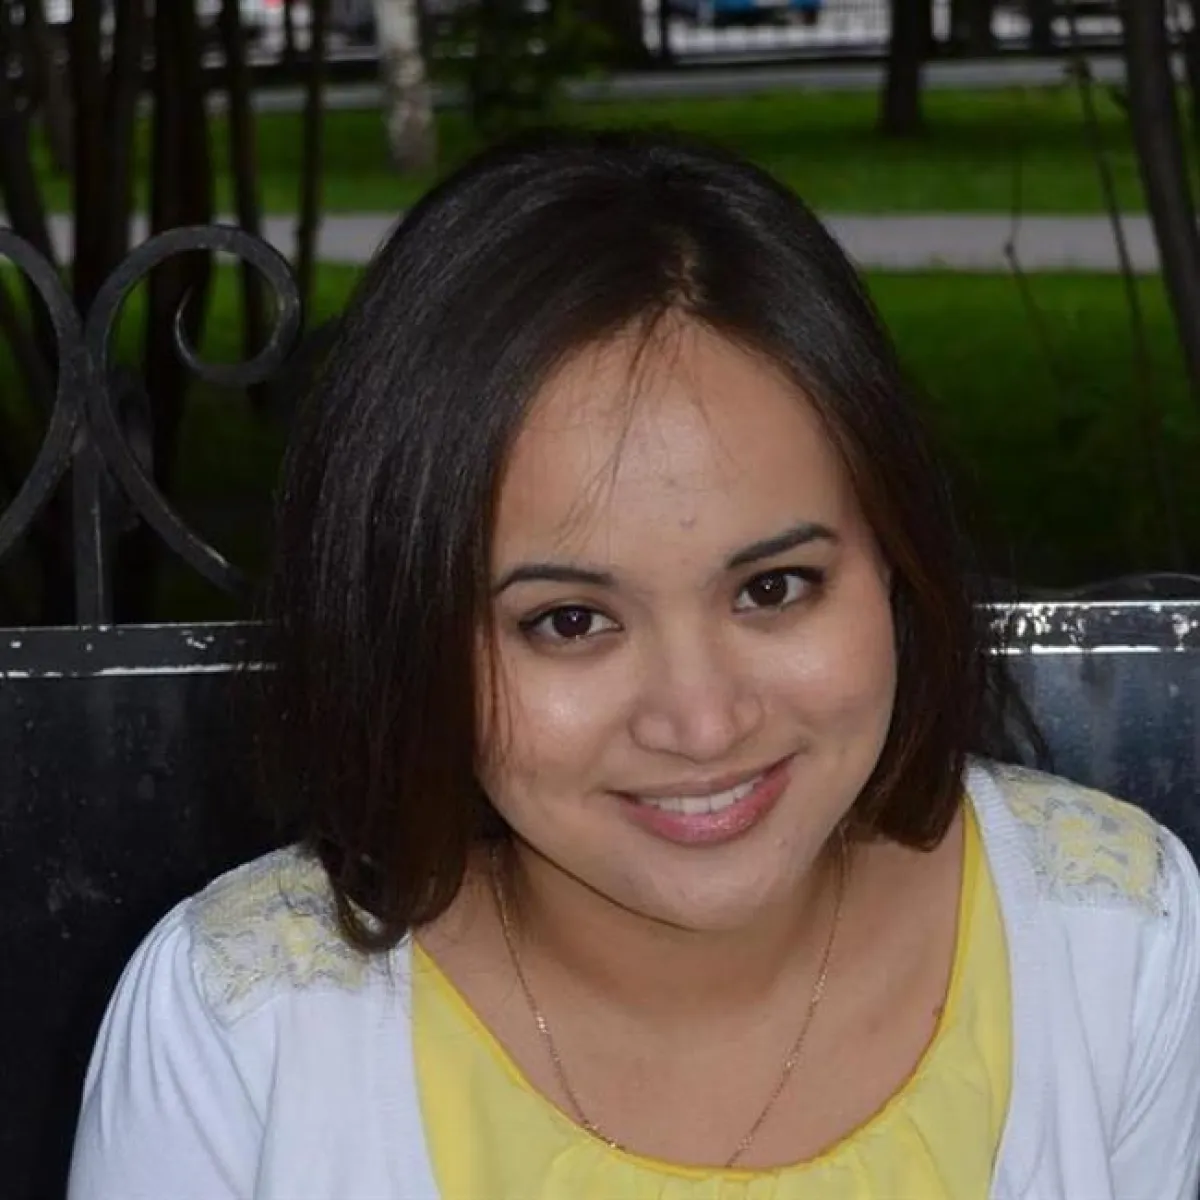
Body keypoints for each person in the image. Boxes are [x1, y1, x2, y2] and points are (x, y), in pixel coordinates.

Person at [68, 129, 1200, 1199]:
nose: (702, 722)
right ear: (408, 630)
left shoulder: (1111, 944)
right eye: (570, 621)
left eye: (773, 588)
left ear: (897, 565)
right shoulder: (247, 1028)